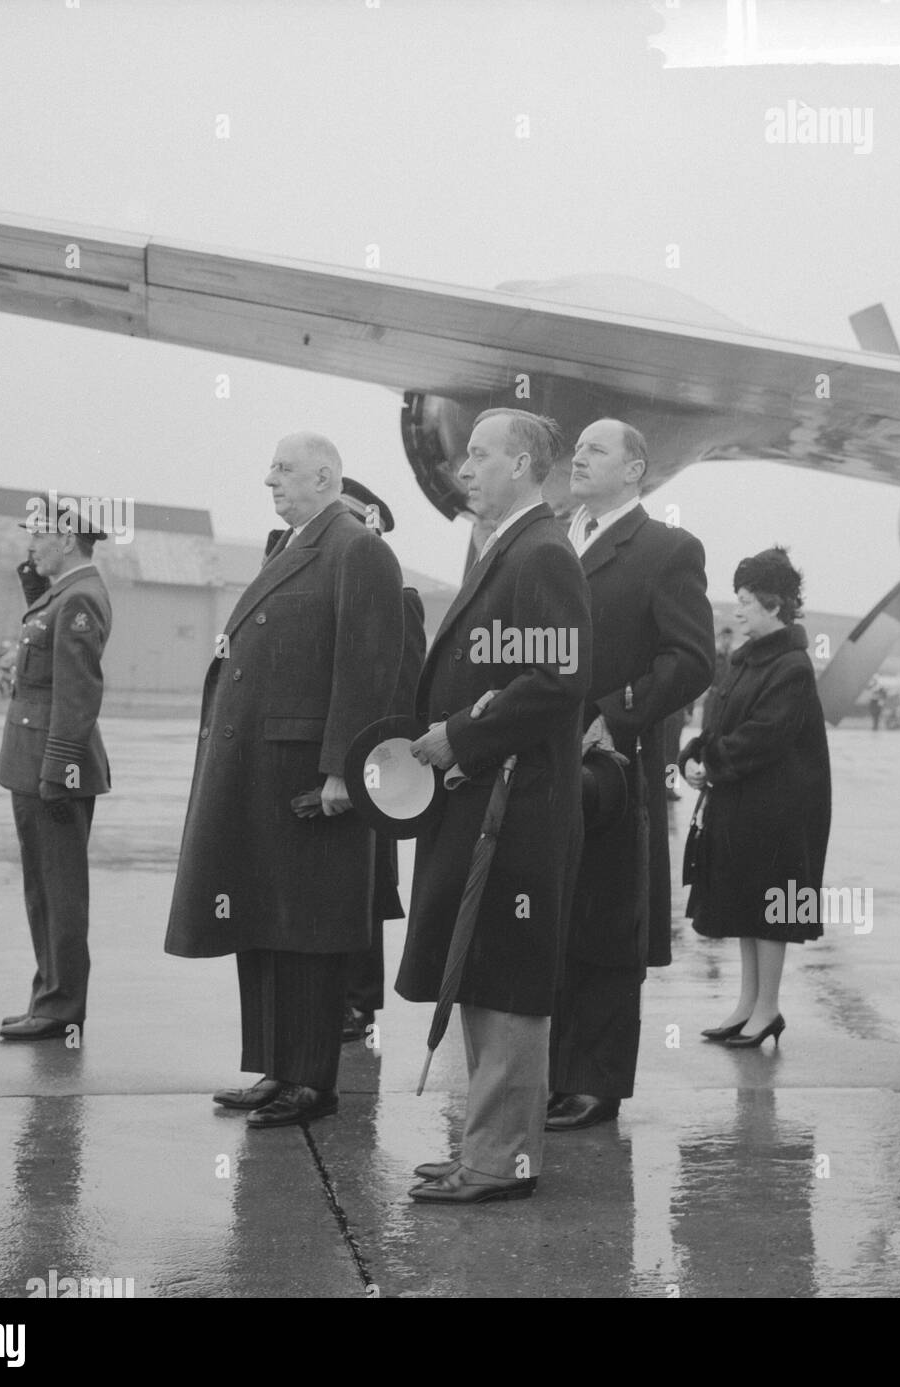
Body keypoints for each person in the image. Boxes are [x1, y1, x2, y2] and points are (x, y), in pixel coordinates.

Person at [164, 433, 404, 1127]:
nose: (269, 478)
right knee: (264, 923)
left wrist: (340, 769)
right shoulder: (296, 542)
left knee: (309, 933)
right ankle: (275, 1068)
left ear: (325, 476)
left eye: (283, 468)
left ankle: (312, 1081)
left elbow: (367, 666)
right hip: (265, 773)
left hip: (306, 778)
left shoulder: (357, 548)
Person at [398, 408, 590, 1204]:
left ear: (523, 466)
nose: (462, 469)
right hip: (486, 802)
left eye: (479, 455)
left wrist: (459, 734)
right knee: (480, 973)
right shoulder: (506, 548)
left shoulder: (541, 553)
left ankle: (502, 1158)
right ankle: (486, 1143)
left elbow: (556, 682)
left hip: (515, 803)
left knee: (507, 983)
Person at [546, 418, 713, 1131]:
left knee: (607, 922)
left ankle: (596, 1080)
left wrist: (618, 714)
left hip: (612, 767)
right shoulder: (550, 536)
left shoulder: (666, 549)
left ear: (636, 469)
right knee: (549, 916)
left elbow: (691, 657)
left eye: (596, 450)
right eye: (577, 448)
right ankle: (553, 1070)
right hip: (543, 759)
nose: (578, 457)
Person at [681, 547, 831, 1049]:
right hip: (744, 807)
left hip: (779, 813)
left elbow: (765, 735)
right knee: (748, 907)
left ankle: (767, 1009)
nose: (736, 609)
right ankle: (749, 1005)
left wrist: (714, 763)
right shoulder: (746, 661)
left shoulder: (790, 666)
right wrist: (694, 756)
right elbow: (720, 726)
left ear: (772, 605)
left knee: (771, 910)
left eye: (745, 600)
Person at [0, 498, 112, 1041]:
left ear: (67, 540)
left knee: (61, 891)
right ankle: (48, 996)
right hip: (33, 763)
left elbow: (76, 695)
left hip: (53, 766)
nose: (30, 545)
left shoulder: (81, 599)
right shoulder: (64, 594)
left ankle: (62, 1006)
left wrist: (59, 769)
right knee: (43, 889)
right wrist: (32, 572)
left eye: (39, 536)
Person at [332, 477, 428, 1044]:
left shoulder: (396, 598)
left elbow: (405, 690)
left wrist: (379, 773)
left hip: (366, 768)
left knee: (362, 889)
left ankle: (358, 1004)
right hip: (326, 764)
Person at [699, 626, 734, 732]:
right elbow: (704, 675)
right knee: (707, 727)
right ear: (719, 638)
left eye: (729, 638)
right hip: (713, 696)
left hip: (729, 697)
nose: (727, 641)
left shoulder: (735, 658)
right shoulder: (712, 655)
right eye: (724, 638)